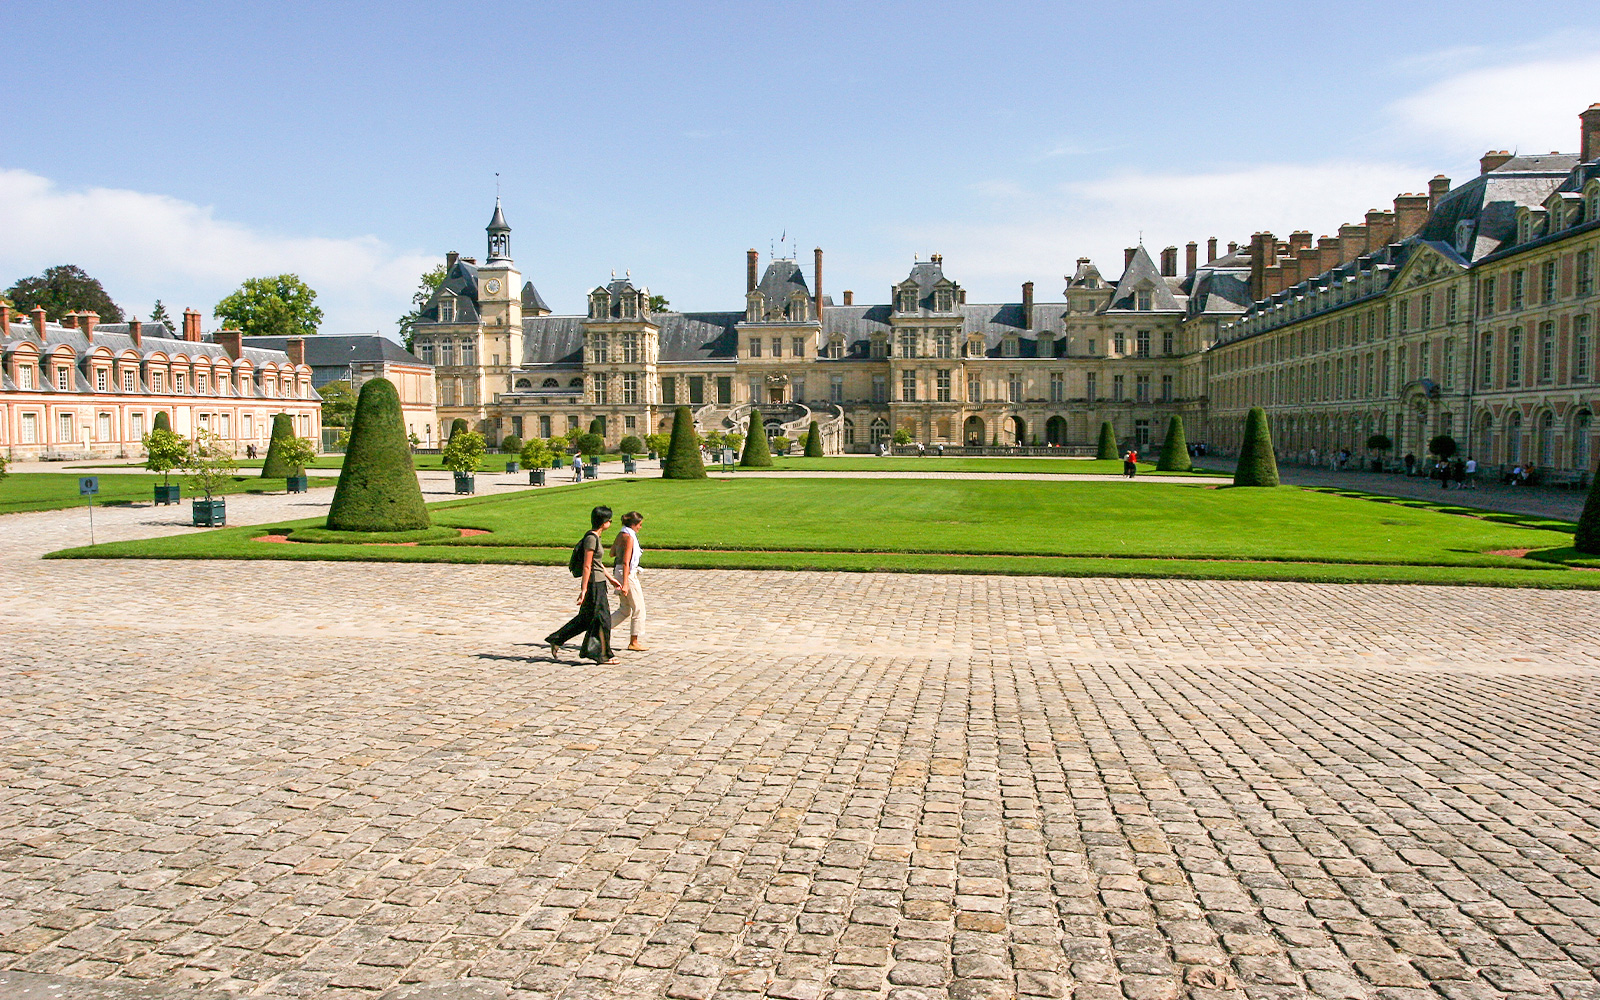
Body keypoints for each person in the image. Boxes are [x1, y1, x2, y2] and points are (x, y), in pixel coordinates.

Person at [546, 505, 619, 663]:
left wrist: (610, 578)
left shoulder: (596, 537)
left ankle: (557, 639)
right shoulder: (591, 538)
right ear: (604, 522)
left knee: (586, 619)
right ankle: (601, 654)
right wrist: (584, 589)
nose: (611, 523)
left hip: (599, 582)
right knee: (603, 619)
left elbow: (597, 563)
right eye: (610, 520)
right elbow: (587, 566)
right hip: (594, 584)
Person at [611, 510, 648, 652]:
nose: (640, 527)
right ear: (633, 524)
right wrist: (626, 583)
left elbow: (612, 552)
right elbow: (627, 562)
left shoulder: (621, 534)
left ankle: (601, 629)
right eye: (639, 525)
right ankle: (634, 641)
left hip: (618, 571)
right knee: (639, 608)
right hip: (627, 574)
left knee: (625, 609)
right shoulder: (629, 538)